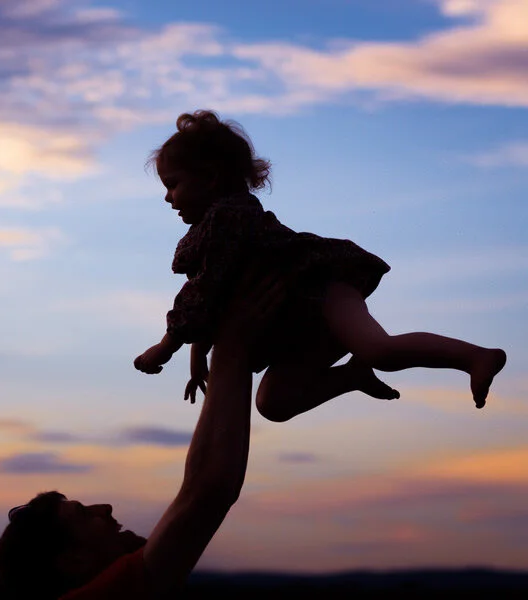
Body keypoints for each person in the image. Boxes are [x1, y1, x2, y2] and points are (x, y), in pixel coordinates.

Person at [134, 110, 507, 419]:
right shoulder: (210, 233)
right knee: (273, 404)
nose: (168, 197)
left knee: (381, 350)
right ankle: (352, 376)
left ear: (211, 177)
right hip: (298, 325)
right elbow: (211, 291)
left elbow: (203, 292)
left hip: (323, 291)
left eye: (174, 184)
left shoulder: (228, 218)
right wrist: (198, 356)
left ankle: (474, 356)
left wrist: (165, 348)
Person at [0, 269, 287, 600]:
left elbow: (207, 490)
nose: (106, 508)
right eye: (83, 514)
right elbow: (207, 491)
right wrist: (234, 342)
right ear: (73, 560)